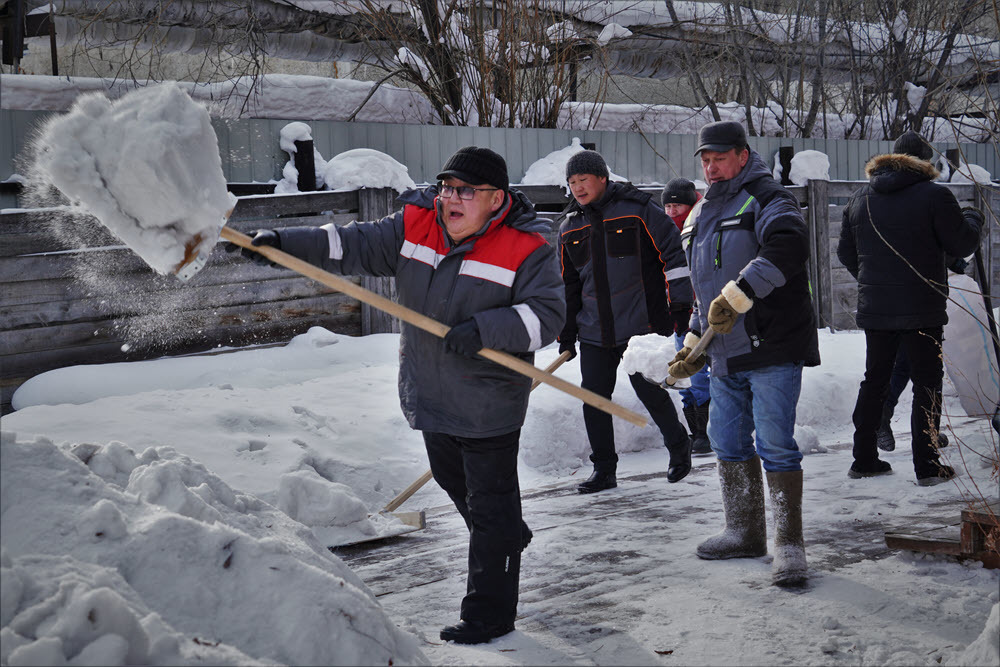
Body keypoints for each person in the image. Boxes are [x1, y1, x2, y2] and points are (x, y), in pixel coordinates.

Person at [228, 146, 566, 644]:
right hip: (430, 392)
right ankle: (508, 536)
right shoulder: (416, 224)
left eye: (465, 191)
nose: (450, 198)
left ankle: (488, 613)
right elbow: (348, 244)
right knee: (460, 489)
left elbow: (548, 316)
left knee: (489, 509)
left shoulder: (528, 245)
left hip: (489, 403)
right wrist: (281, 242)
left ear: (496, 199)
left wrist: (487, 328)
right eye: (447, 187)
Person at [667, 120, 820, 587]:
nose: (711, 167)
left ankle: (789, 544)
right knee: (727, 441)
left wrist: (740, 294)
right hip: (725, 354)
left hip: (772, 343)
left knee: (775, 444)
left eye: (719, 157)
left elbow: (789, 247)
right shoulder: (698, 214)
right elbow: (704, 292)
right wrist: (694, 343)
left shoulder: (770, 198)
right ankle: (744, 531)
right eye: (705, 159)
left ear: (740, 154)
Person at [837, 130, 982, 485]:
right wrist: (975, 220)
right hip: (923, 307)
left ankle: (864, 459)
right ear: (925, 161)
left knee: (875, 381)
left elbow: (845, 252)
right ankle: (928, 466)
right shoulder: (935, 195)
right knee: (927, 384)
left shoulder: (860, 198)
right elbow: (961, 244)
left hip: (877, 309)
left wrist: (874, 281)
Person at [557, 150, 694, 494]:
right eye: (572, 183)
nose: (577, 188)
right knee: (594, 398)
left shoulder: (638, 210)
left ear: (602, 178)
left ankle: (679, 445)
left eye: (583, 180)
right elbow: (569, 284)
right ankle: (604, 470)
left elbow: (673, 254)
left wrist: (679, 304)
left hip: (640, 323)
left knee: (649, 389)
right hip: (593, 328)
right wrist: (567, 331)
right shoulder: (570, 226)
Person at [661, 177, 712, 455]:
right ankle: (695, 431)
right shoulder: (664, 235)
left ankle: (705, 432)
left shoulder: (699, 229)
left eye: (677, 205)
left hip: (700, 311)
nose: (671, 211)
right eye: (667, 206)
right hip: (677, 314)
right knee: (682, 371)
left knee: (699, 372)